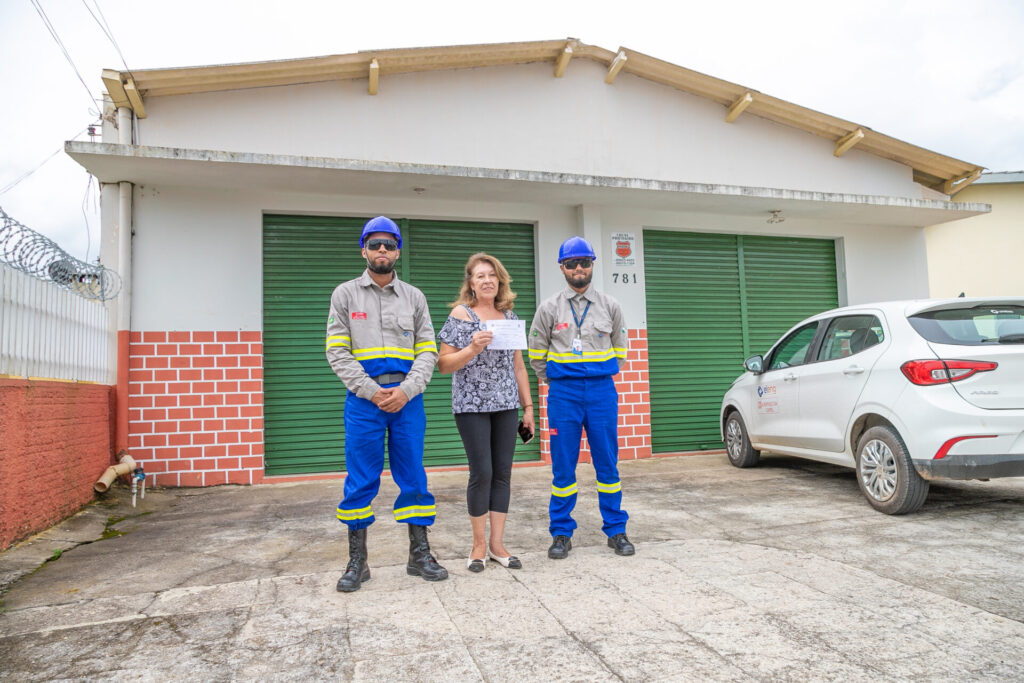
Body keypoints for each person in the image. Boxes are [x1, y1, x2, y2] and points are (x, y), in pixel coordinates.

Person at [326, 215, 448, 592]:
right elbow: (337, 352)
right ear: (363, 249)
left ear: (398, 251)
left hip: (408, 401)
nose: (382, 250)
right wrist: (371, 391)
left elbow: (427, 351)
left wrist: (406, 391)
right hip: (364, 401)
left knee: (413, 475)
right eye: (375, 244)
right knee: (360, 478)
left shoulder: (415, 297)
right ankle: (357, 561)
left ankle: (419, 553)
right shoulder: (345, 294)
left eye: (389, 245)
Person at [528, 236, 634, 560]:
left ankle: (616, 530)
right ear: (562, 267)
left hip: (601, 392)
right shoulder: (548, 308)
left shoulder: (610, 306)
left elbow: (621, 351)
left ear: (592, 266)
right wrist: (558, 380)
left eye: (584, 262)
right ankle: (561, 532)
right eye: (572, 263)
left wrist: (597, 373)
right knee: (563, 468)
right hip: (564, 395)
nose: (578, 268)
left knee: (607, 464)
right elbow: (535, 354)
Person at [437, 253, 535, 572]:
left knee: (503, 474)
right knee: (482, 473)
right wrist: (472, 349)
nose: (487, 280)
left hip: (506, 406)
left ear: (500, 280)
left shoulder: (509, 316)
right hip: (472, 406)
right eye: (480, 276)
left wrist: (529, 408)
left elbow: (518, 366)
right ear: (471, 283)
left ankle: (497, 545)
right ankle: (478, 545)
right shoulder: (461, 315)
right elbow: (443, 364)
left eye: (492, 275)